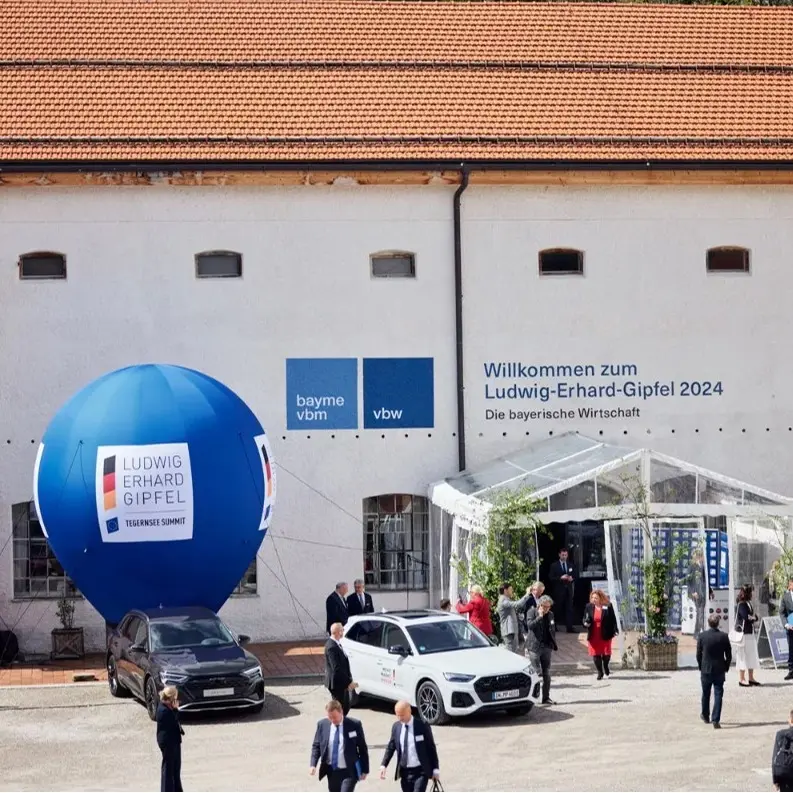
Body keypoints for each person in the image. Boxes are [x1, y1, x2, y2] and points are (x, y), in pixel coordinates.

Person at [310, 699, 370, 792]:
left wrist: (365, 769)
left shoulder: (354, 724)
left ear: (341, 712)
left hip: (349, 771)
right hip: (331, 771)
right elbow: (316, 745)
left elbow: (362, 748)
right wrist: (313, 764)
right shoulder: (322, 724)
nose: (332, 720)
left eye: (334, 717)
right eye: (330, 717)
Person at [379, 700, 440, 792]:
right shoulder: (396, 727)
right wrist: (384, 765)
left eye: (402, 715)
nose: (400, 718)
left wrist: (435, 769)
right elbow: (391, 747)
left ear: (409, 711)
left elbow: (431, 748)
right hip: (405, 773)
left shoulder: (422, 725)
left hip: (421, 771)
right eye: (397, 715)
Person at [696, 613, 731, 729]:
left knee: (705, 693)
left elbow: (698, 654)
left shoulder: (702, 636)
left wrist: (701, 666)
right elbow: (729, 655)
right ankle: (716, 719)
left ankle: (705, 715)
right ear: (718, 623)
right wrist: (726, 666)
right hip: (719, 669)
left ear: (708, 623)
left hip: (706, 669)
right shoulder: (724, 636)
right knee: (718, 694)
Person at [524, 594, 558, 705]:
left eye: (549, 607)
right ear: (540, 605)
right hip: (534, 647)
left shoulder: (551, 615)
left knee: (547, 673)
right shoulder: (531, 612)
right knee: (536, 673)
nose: (547, 609)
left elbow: (552, 629)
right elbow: (529, 626)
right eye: (545, 607)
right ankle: (532, 697)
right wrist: (539, 617)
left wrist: (552, 644)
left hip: (547, 647)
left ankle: (546, 697)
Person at [582, 589, 618, 679]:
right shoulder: (589, 606)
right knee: (596, 654)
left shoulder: (608, 606)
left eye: (596, 598)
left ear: (601, 598)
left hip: (606, 632)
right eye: (592, 598)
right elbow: (585, 618)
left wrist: (615, 629)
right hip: (594, 633)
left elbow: (613, 619)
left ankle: (605, 665)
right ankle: (599, 672)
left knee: (606, 654)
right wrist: (585, 623)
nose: (594, 599)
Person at [156, 685, 184, 793]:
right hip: (168, 743)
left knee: (176, 769)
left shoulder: (166, 708)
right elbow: (174, 721)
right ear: (171, 699)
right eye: (175, 698)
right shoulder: (164, 711)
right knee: (168, 770)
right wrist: (176, 710)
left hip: (174, 741)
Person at [325, 622, 356, 714]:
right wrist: (349, 682)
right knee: (340, 708)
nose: (343, 631)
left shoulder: (336, 644)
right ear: (338, 632)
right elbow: (336, 668)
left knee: (345, 706)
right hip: (337, 684)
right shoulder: (331, 647)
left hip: (341, 683)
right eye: (342, 630)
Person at [734, 583, 761, 687]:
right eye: (752, 591)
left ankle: (751, 677)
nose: (753, 593)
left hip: (749, 632)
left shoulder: (748, 603)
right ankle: (741, 678)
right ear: (748, 592)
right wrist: (755, 618)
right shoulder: (741, 604)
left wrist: (753, 617)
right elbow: (746, 617)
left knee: (751, 655)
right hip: (743, 634)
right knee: (742, 656)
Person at [497, 582, 533, 653]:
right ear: (505, 590)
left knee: (515, 651)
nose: (512, 591)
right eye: (510, 589)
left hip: (512, 630)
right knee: (511, 653)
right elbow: (517, 604)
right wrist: (527, 594)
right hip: (509, 631)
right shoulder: (503, 600)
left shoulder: (506, 599)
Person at [548, 548, 576, 632]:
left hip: (568, 590)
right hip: (558, 591)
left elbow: (575, 575)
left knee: (569, 608)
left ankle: (569, 627)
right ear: (559, 555)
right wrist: (560, 578)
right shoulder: (554, 565)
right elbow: (551, 577)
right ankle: (554, 626)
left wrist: (572, 578)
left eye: (566, 555)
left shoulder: (570, 565)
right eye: (563, 555)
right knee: (557, 609)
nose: (564, 557)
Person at [687, 549, 707, 638]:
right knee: (700, 612)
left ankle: (697, 633)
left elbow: (705, 580)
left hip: (703, 592)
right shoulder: (691, 566)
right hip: (696, 593)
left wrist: (709, 590)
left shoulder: (703, 565)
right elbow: (688, 581)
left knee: (700, 612)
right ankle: (702, 633)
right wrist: (692, 592)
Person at [772, 709, 793, 791]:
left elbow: (775, 758)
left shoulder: (781, 734)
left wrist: (775, 780)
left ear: (790, 720)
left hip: (785, 773)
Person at [779, 577, 793, 681]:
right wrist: (786, 624)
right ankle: (791, 670)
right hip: (790, 626)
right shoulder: (785, 597)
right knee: (791, 648)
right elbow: (782, 612)